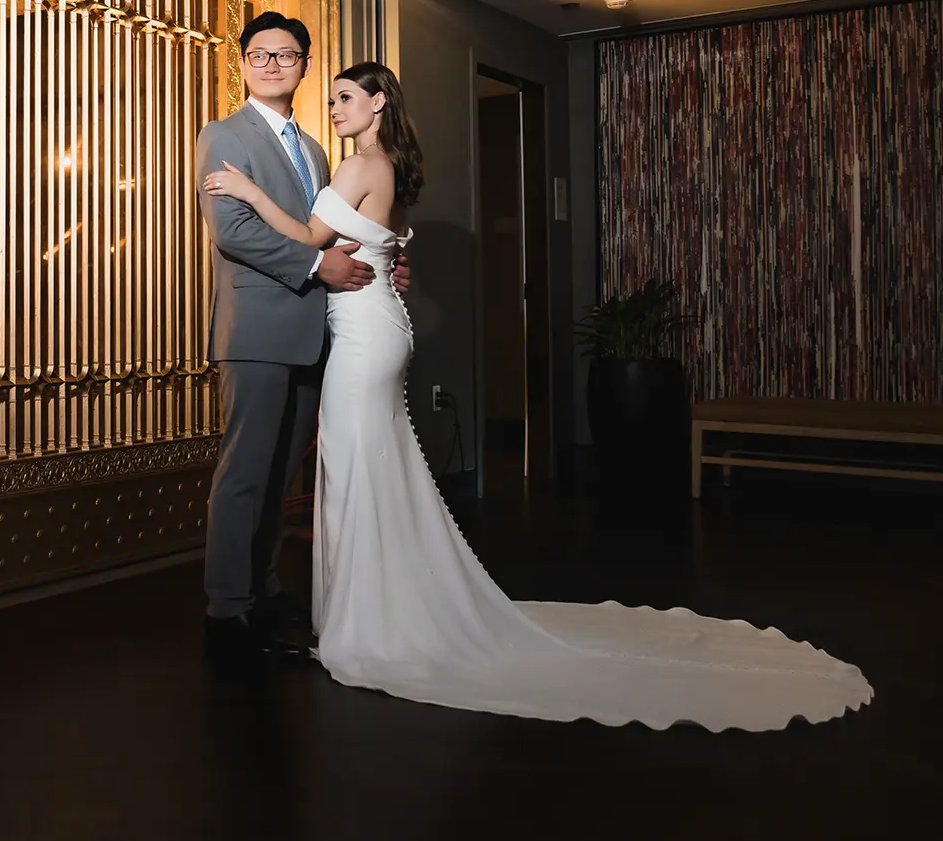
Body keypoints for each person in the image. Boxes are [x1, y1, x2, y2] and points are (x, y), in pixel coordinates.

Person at [201, 60, 873, 729]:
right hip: (379, 326)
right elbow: (376, 248)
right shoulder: (388, 169)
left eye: (347, 97)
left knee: (354, 471)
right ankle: (382, 609)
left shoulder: (353, 165)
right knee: (375, 466)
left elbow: (313, 241)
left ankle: (369, 623)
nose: (337, 108)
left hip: (362, 338)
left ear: (378, 103)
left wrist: (250, 194)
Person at [193, 12, 407, 668]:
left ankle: (265, 586)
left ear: (304, 66)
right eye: (260, 54)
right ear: (244, 63)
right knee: (245, 474)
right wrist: (320, 266)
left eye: (286, 55)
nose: (272, 64)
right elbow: (235, 233)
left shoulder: (317, 150)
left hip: (316, 329)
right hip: (256, 329)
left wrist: (385, 254)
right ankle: (227, 608)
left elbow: (330, 229)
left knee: (283, 474)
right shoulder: (222, 134)